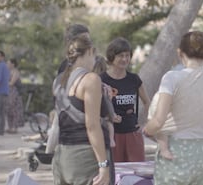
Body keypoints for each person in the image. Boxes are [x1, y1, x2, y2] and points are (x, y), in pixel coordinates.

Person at [143, 31, 203, 184]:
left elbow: (159, 120)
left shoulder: (172, 78)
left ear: (180, 53)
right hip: (201, 150)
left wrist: (147, 130)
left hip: (175, 149)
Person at [52, 33, 111, 185]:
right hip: (86, 158)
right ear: (90, 50)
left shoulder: (58, 81)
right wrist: (103, 165)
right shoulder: (90, 79)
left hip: (62, 157)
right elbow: (92, 125)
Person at [100, 37, 151, 162]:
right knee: (115, 176)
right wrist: (109, 116)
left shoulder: (134, 79)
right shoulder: (101, 79)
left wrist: (144, 123)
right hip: (112, 135)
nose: (124, 59)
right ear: (112, 57)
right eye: (121, 56)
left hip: (133, 134)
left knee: (136, 176)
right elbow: (95, 107)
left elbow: (147, 102)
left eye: (127, 55)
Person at [94, 55, 122, 148]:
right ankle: (111, 139)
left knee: (109, 122)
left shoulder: (95, 83)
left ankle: (111, 139)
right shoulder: (105, 85)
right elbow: (109, 101)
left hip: (99, 111)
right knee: (109, 123)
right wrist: (112, 114)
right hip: (105, 111)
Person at [5, 58, 23, 134]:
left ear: (13, 64)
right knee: (8, 109)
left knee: (14, 110)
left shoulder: (15, 72)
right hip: (8, 92)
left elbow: (12, 83)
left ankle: (15, 128)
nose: (7, 65)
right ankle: (10, 127)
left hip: (14, 92)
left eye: (8, 63)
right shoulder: (8, 72)